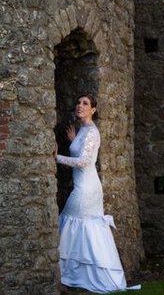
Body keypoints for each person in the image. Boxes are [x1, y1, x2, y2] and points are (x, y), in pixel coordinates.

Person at [54, 93, 139, 293]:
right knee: (78, 225)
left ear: (93, 110)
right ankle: (76, 275)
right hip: (84, 186)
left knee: (74, 223)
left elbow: (84, 162)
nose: (79, 106)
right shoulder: (83, 131)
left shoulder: (92, 132)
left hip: (87, 189)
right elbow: (81, 151)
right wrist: (73, 141)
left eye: (85, 103)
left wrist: (58, 158)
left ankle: (81, 274)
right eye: (78, 103)